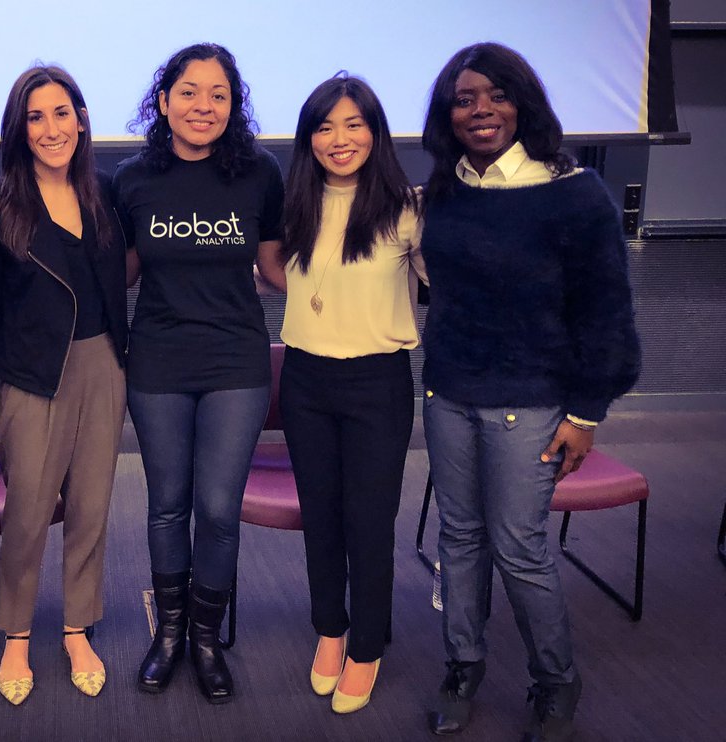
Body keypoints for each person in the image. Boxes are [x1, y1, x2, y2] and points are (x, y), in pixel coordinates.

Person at [418, 42, 641, 741]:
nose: (480, 110)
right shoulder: (448, 188)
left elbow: (605, 314)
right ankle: (464, 663)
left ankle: (555, 681)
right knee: (459, 539)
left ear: (524, 103)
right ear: (447, 113)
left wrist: (586, 413)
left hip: (532, 402)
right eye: (464, 99)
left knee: (519, 546)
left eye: (497, 95)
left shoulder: (572, 193)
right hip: (449, 392)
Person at [113, 42, 284, 704]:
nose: (202, 105)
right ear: (163, 102)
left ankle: (206, 641)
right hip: (156, 358)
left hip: (236, 359)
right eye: (188, 92)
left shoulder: (259, 173)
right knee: (166, 505)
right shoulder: (132, 179)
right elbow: (122, 272)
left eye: (218, 94)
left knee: (216, 508)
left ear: (233, 105)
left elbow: (274, 266)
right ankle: (169, 635)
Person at [256, 74, 424, 715]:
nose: (339, 139)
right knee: (320, 515)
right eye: (324, 127)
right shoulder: (295, 203)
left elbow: (448, 280)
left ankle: (368, 645)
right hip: (305, 380)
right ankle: (330, 628)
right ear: (308, 140)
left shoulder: (407, 208)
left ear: (376, 132)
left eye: (354, 124)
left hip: (377, 383)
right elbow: (276, 270)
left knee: (368, 519)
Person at [0, 65, 128, 705]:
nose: (50, 128)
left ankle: (75, 628)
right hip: (30, 373)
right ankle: (15, 634)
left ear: (82, 119)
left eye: (61, 112)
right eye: (35, 116)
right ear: (18, 128)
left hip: (103, 366)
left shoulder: (107, 194)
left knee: (91, 507)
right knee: (30, 510)